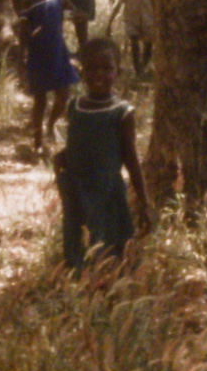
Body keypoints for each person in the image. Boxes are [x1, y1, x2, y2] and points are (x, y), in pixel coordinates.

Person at [56, 38, 150, 272]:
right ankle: (78, 279)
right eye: (91, 68)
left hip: (106, 190)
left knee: (106, 242)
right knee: (77, 237)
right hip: (76, 187)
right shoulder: (75, 105)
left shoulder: (121, 112)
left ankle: (105, 282)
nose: (99, 74)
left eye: (107, 68)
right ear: (82, 71)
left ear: (118, 71)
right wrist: (61, 160)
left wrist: (144, 200)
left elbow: (130, 157)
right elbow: (78, 142)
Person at [17, 0, 79, 153]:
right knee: (40, 99)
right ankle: (37, 140)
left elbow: (74, 12)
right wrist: (23, 55)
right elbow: (24, 32)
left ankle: (51, 124)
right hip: (38, 55)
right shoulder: (30, 3)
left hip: (58, 52)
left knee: (64, 94)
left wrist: (74, 16)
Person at [104, 0, 154, 77]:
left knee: (148, 46)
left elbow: (158, 5)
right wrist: (110, 23)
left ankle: (143, 66)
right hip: (132, 21)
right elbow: (118, 5)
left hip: (148, 22)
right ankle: (138, 71)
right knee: (135, 44)